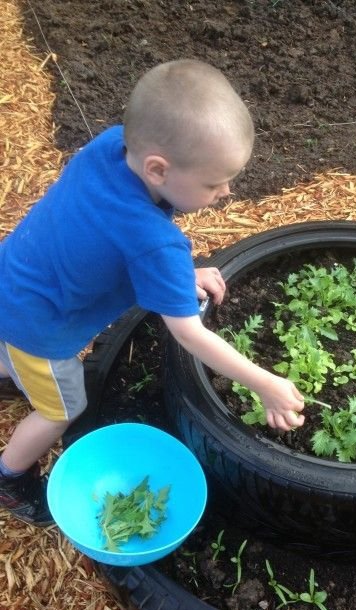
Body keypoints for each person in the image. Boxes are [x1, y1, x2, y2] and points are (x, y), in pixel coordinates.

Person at [0, 59, 305, 527]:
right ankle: (11, 477)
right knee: (63, 407)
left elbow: (112, 236)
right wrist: (266, 385)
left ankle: (10, 371)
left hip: (14, 274)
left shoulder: (110, 147)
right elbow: (190, 334)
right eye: (213, 182)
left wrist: (177, 276)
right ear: (158, 169)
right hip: (38, 327)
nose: (226, 191)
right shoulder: (154, 243)